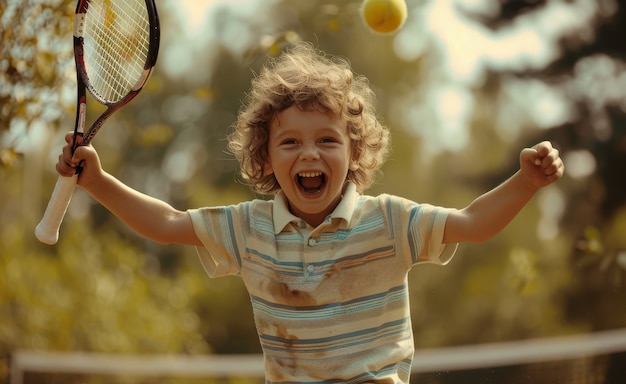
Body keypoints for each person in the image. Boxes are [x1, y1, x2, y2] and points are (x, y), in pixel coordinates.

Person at [55, 42, 564, 383]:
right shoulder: (249, 229)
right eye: (291, 142)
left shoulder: (389, 221)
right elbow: (166, 224)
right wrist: (96, 181)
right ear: (266, 157)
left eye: (327, 140)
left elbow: (474, 225)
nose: (310, 154)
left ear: (355, 153)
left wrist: (526, 181)